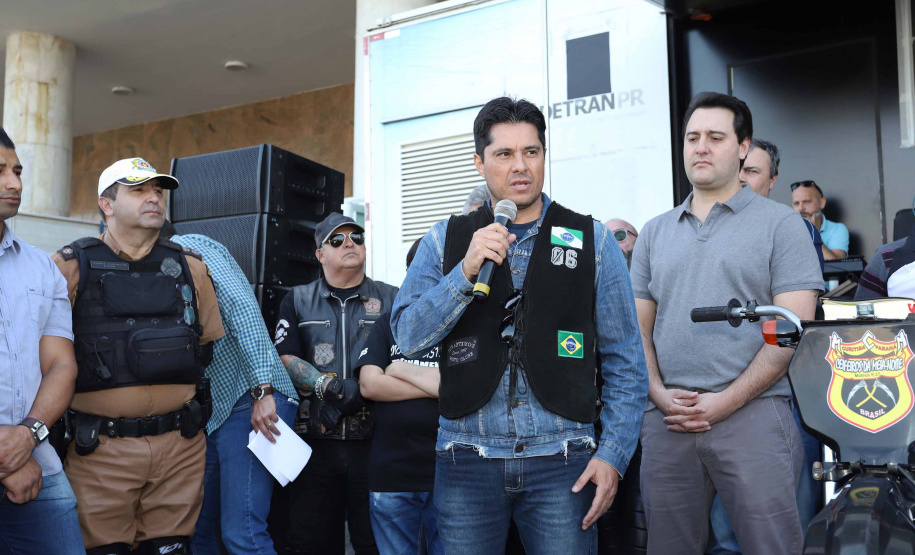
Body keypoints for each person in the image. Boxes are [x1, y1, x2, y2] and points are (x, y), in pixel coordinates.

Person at [391, 96, 648, 553]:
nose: (520, 166)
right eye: (504, 154)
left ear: (544, 156)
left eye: (531, 152)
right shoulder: (444, 239)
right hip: (465, 458)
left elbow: (626, 361)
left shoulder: (594, 241)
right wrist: (465, 272)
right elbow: (408, 336)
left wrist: (613, 454)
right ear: (479, 161)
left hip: (564, 460)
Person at [632, 92, 822, 555]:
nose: (701, 147)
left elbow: (790, 331)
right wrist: (656, 392)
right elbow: (635, 331)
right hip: (668, 420)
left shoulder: (782, 226)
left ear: (742, 147)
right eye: (692, 137)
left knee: (770, 547)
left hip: (753, 416)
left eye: (715, 137)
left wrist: (725, 402)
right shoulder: (654, 231)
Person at [52, 157, 225, 555]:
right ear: (106, 204)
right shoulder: (68, 267)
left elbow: (205, 350)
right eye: (139, 189)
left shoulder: (191, 268)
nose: (153, 198)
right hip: (101, 450)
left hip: (180, 448)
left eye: (158, 191)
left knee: (172, 548)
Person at [700, 139, 825, 554]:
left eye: (754, 171)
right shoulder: (703, 227)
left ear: (772, 181)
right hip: (716, 406)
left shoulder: (791, 228)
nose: (743, 179)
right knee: (727, 533)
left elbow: (788, 320)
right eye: (741, 170)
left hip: (782, 399)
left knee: (787, 527)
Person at [158, 221, 300, 554]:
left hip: (248, 398)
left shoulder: (188, 245)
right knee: (197, 533)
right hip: (214, 415)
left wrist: (262, 390)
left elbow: (242, 307)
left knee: (244, 534)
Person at [273, 212, 398, 555]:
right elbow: (284, 357)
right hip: (315, 444)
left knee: (374, 542)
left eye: (356, 237)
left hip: (375, 444)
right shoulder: (297, 299)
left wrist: (361, 389)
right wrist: (330, 388)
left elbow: (406, 359)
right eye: (338, 240)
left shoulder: (391, 298)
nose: (350, 244)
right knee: (309, 541)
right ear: (320, 254)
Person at [0, 128, 84, 554]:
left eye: (17, 170)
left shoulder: (41, 267)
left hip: (37, 460)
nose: (14, 182)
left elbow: (61, 365)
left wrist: (26, 438)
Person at [356, 237, 443, 555]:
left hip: (448, 475)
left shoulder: (461, 325)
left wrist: (398, 369)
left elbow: (455, 390)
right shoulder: (387, 324)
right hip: (391, 475)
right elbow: (369, 386)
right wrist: (431, 382)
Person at [740, 139, 824, 272]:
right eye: (735, 169)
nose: (740, 177)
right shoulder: (703, 222)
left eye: (751, 171)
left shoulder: (797, 229)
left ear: (772, 180)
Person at [791, 180, 849, 260]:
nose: (801, 208)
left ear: (821, 203)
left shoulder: (837, 229)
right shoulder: (787, 231)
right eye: (796, 203)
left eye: (807, 202)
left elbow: (834, 263)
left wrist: (813, 233)